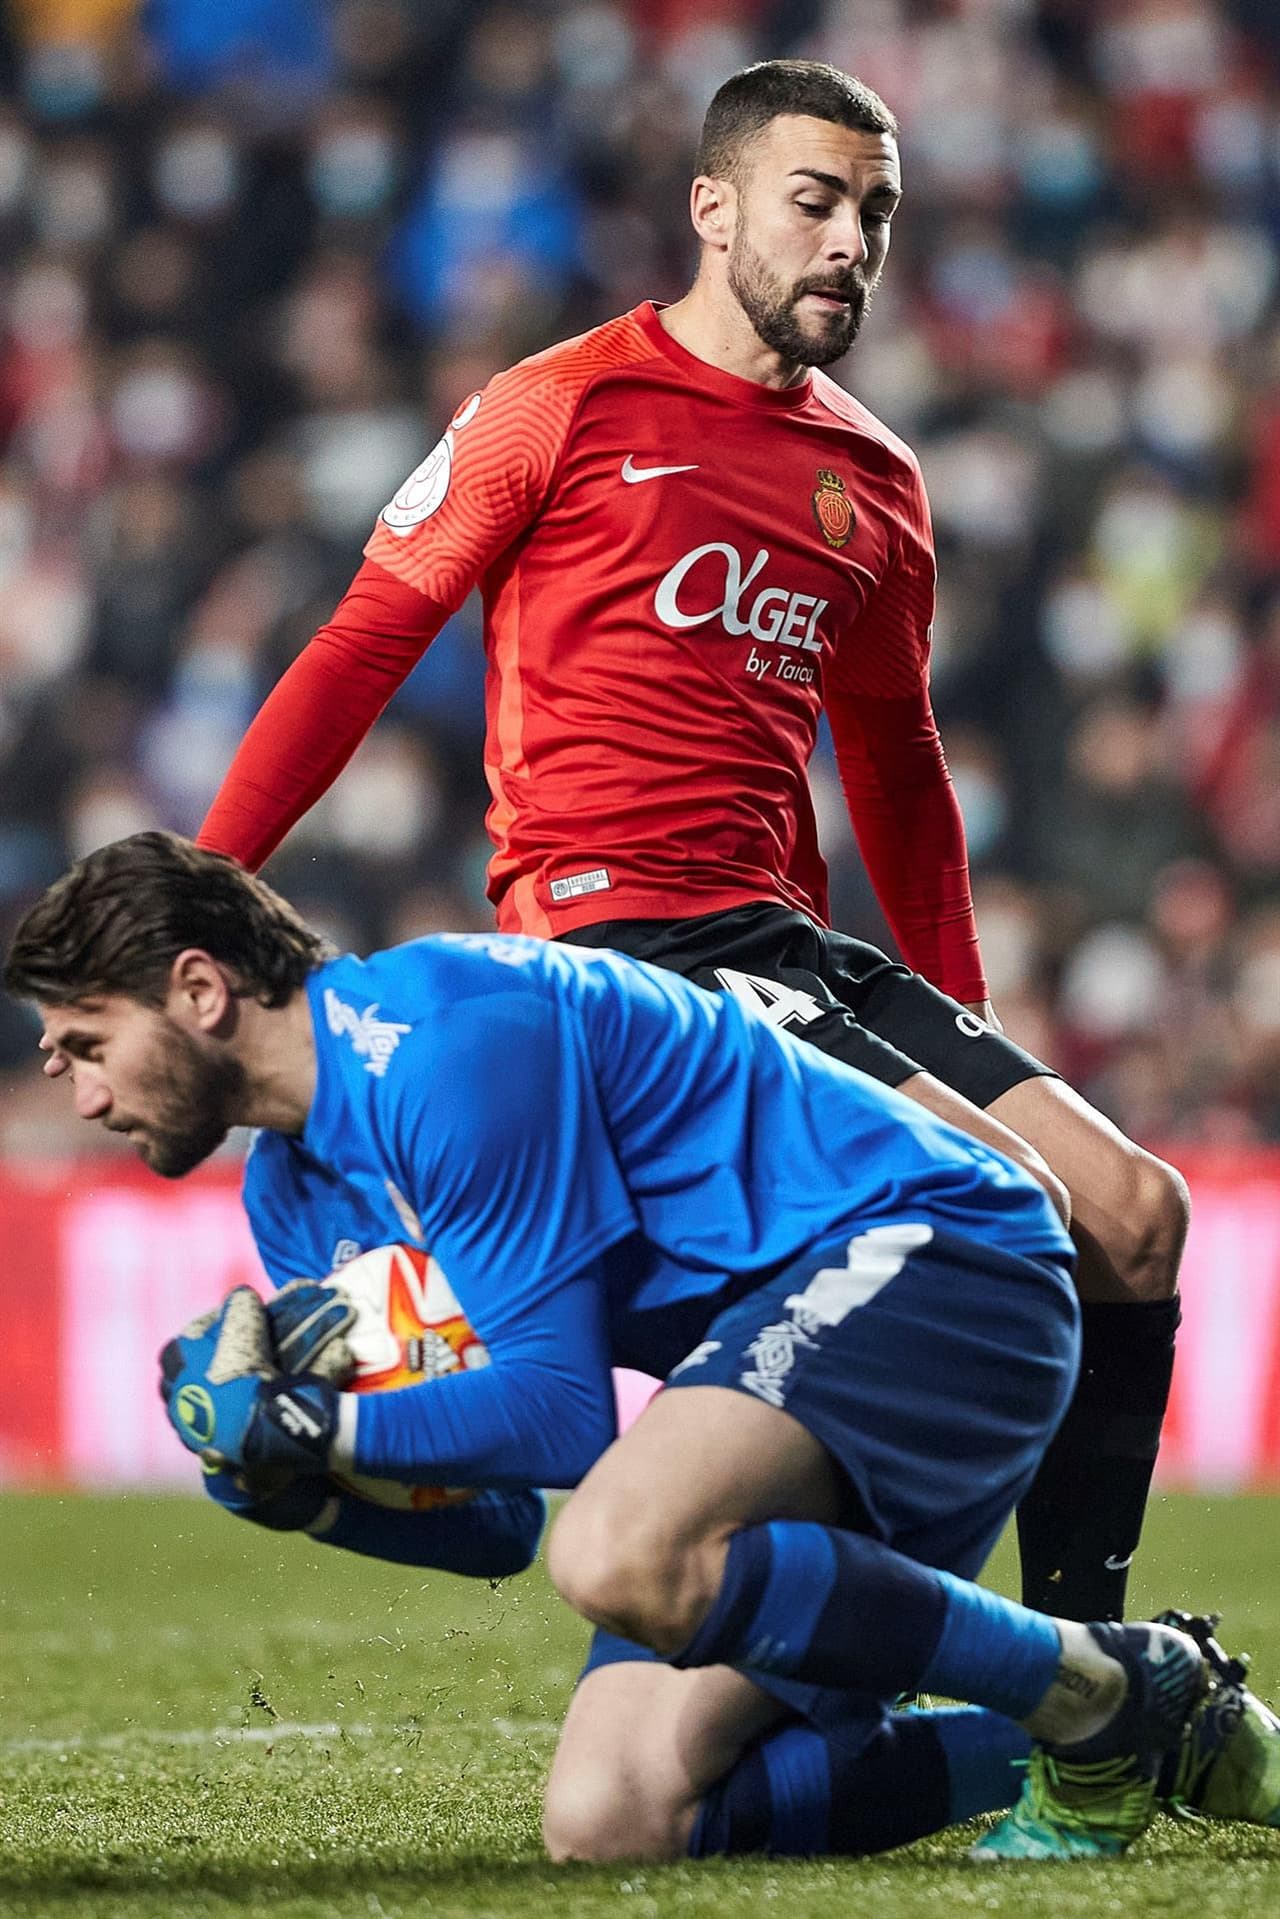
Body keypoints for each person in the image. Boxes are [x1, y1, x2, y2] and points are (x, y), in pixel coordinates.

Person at [187, 57, 1188, 1631]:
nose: (851, 241)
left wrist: (972, 1010)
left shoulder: (875, 481)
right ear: (712, 208)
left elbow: (901, 774)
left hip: (789, 943)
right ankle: (1021, 1665)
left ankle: (1102, 1698)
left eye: (877, 211)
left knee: (1134, 1217)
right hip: (623, 951)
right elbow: (360, 647)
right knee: (1014, 1214)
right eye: (815, 202)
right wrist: (199, 884)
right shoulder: (558, 404)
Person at [7, 830, 1275, 1865]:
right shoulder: (293, 1195)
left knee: (619, 1543)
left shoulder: (443, 1036)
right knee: (614, 1818)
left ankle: (1098, 1694)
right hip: (796, 1335)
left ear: (197, 988)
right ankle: (1132, 1715)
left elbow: (563, 1419)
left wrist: (314, 1428)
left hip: (944, 1254)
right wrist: (303, 1494)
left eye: (86, 1044)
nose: (81, 1094)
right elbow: (496, 1518)